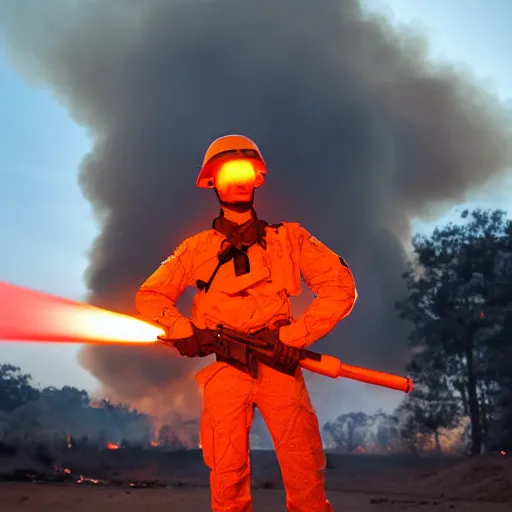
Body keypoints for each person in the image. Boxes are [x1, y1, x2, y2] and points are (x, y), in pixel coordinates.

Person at [135, 134, 357, 512]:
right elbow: (149, 296)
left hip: (279, 365)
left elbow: (341, 288)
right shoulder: (194, 249)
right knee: (226, 474)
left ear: (257, 179)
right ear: (213, 183)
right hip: (226, 369)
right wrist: (180, 329)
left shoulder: (290, 239)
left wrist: (296, 335)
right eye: (228, 173)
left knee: (304, 469)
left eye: (245, 171)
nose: (237, 180)